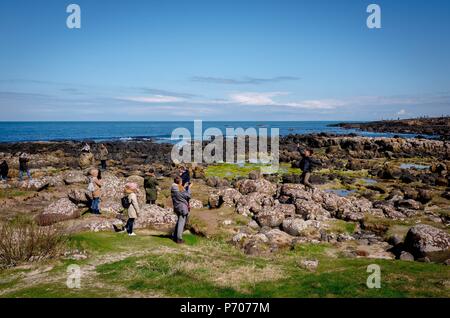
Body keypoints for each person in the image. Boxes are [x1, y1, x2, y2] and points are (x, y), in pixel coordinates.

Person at [171, 176, 192, 244]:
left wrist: (184, 186)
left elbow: (182, 193)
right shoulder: (180, 189)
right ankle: (179, 239)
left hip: (177, 207)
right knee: (181, 223)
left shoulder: (174, 188)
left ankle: (175, 236)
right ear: (180, 182)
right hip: (182, 208)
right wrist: (189, 187)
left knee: (179, 222)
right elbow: (188, 196)